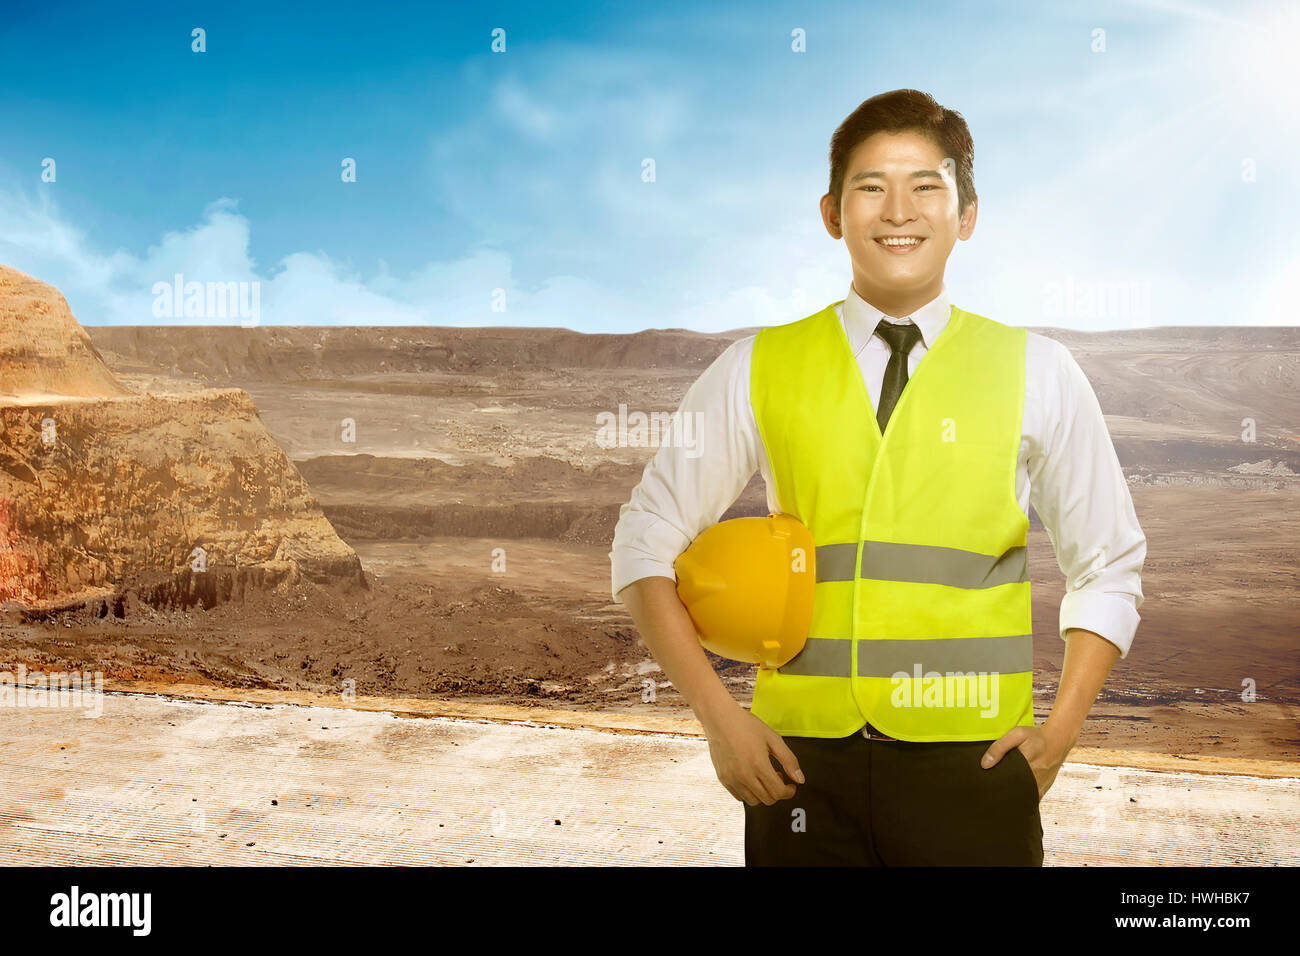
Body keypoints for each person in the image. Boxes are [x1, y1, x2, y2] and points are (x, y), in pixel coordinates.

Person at [609, 89, 1146, 866]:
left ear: (966, 214)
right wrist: (717, 718)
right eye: (871, 187)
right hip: (797, 775)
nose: (899, 210)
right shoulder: (757, 366)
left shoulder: (1040, 371)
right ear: (832, 212)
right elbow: (642, 542)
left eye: (926, 185)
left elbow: (1109, 562)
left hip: (976, 765)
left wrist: (1060, 734)